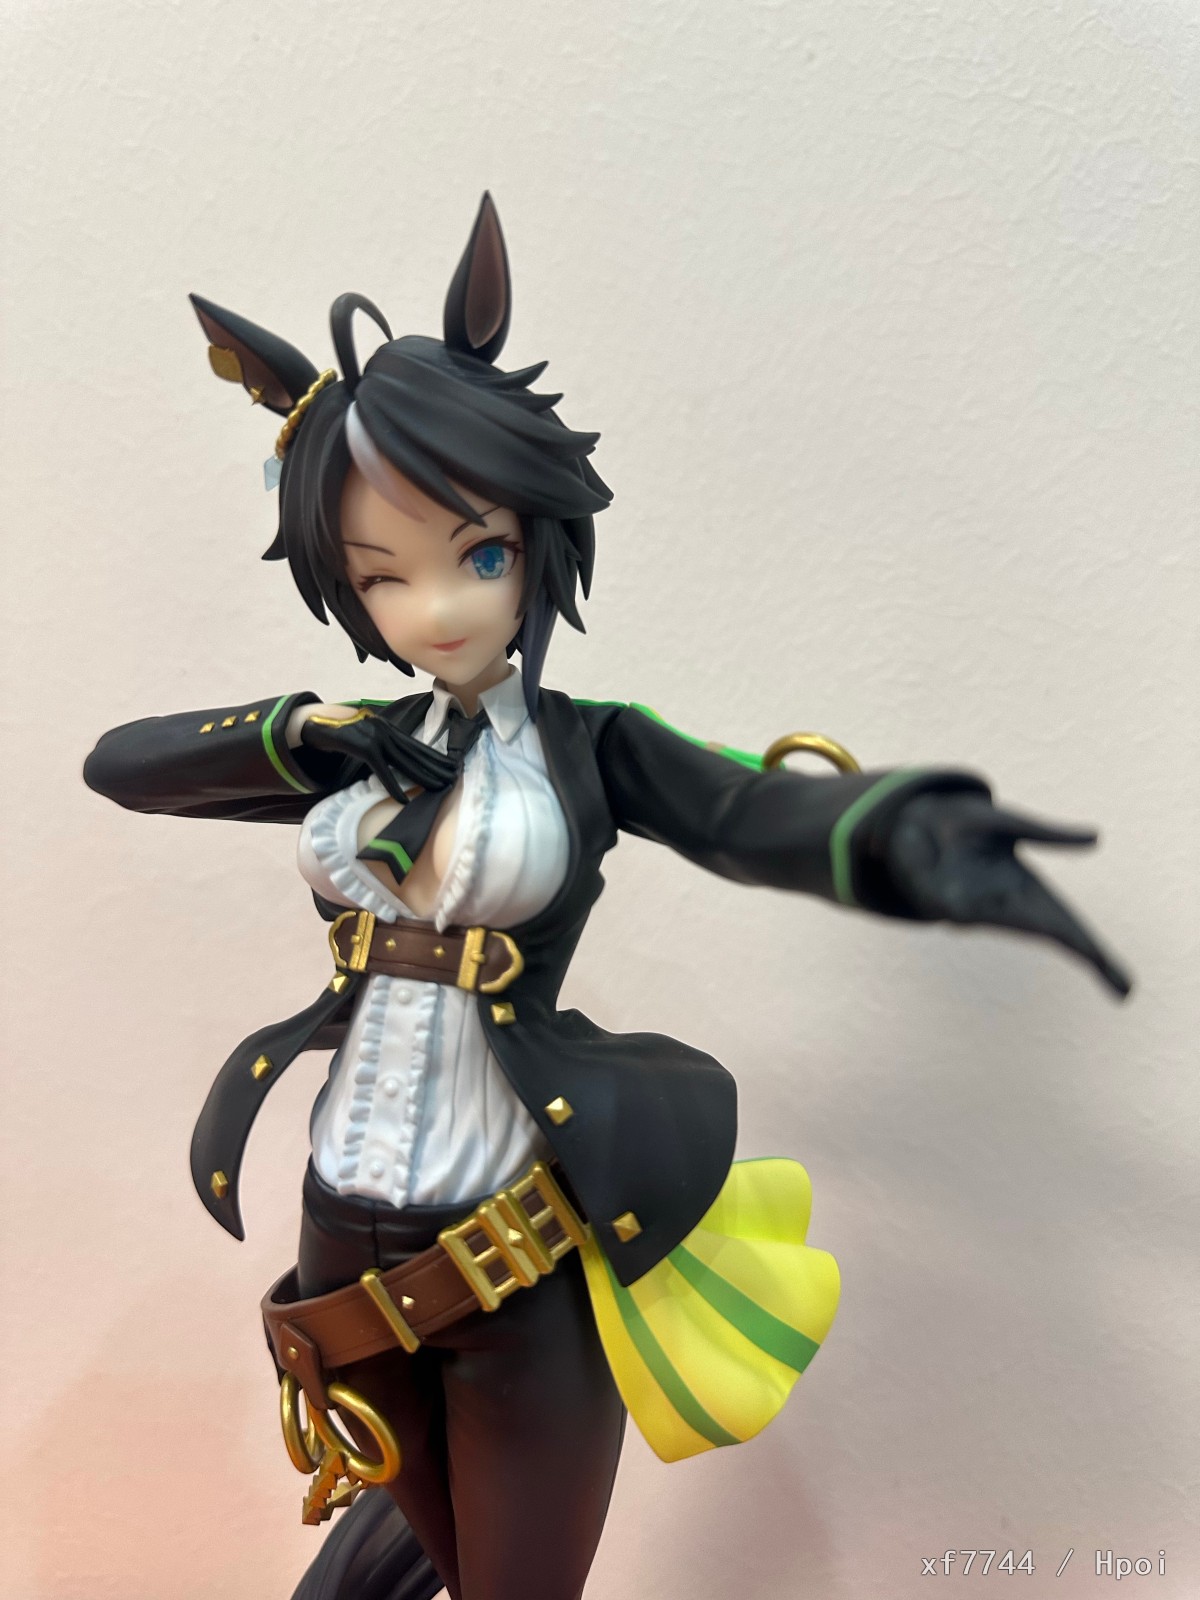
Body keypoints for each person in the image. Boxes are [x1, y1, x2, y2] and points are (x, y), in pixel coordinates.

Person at [83, 194, 1131, 1600]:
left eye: (480, 556)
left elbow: (749, 810)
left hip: (509, 1252)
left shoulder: (588, 749)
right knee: (409, 1559)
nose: (438, 611)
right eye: (385, 578)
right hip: (337, 1252)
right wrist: (304, 731)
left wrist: (896, 833)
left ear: (537, 539)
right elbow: (121, 766)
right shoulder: (360, 748)